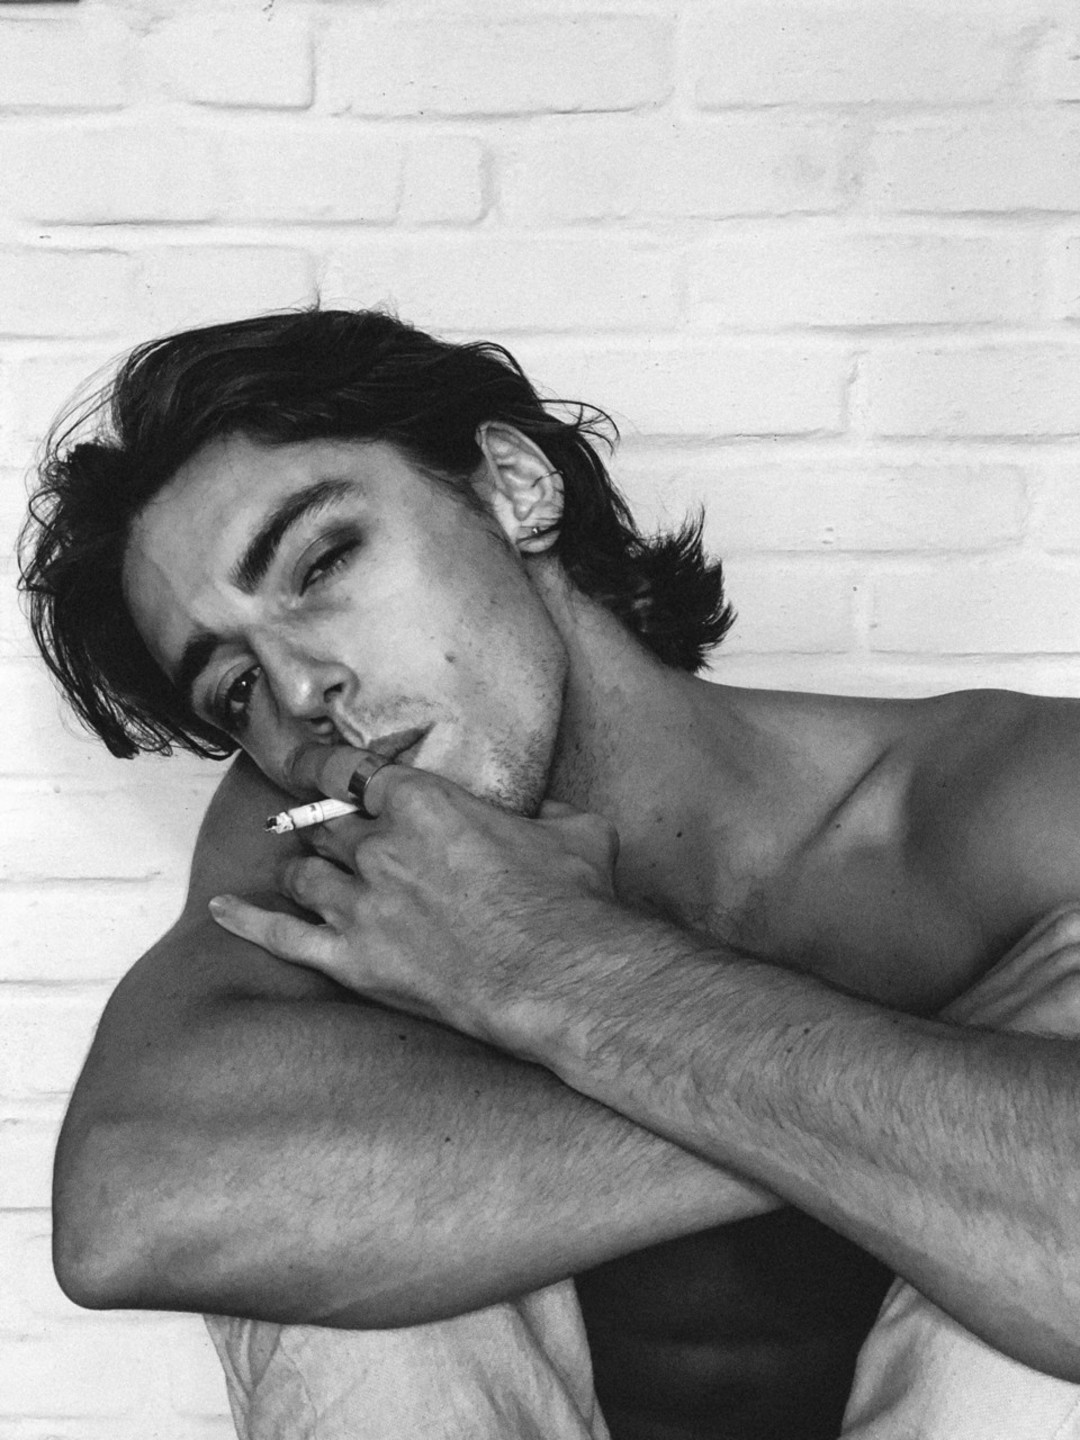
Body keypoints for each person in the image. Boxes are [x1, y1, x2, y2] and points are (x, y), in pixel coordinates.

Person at [19, 306, 1080, 1440]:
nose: (298, 689)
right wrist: (942, 1115)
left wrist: (553, 970)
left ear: (515, 488)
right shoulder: (325, 834)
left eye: (321, 562)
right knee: (321, 1244)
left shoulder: (1008, 796)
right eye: (234, 686)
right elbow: (126, 1209)